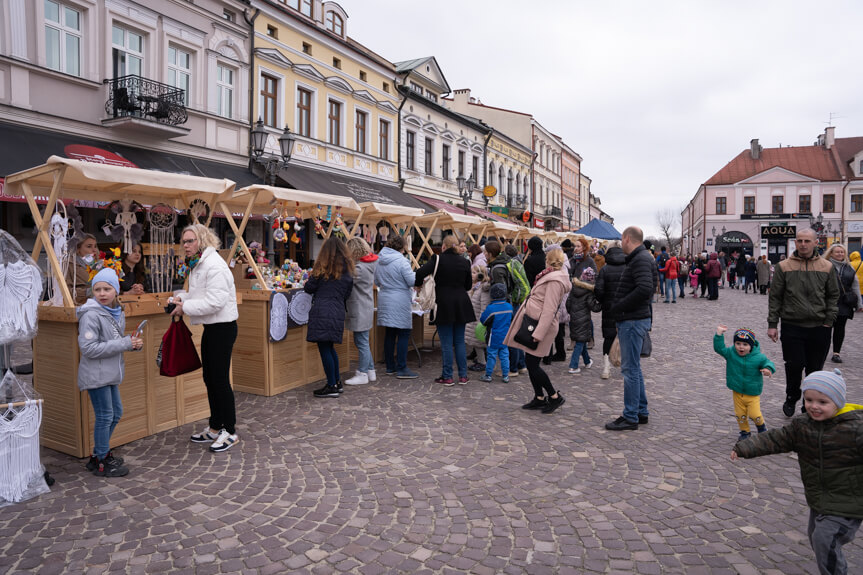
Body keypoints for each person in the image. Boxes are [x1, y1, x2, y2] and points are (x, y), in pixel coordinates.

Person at [732, 370, 863, 575]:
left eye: (822, 402)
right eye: (809, 399)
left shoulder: (855, 429)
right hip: (819, 499)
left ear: (837, 402)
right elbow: (776, 439)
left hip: (848, 502)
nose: (814, 406)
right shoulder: (802, 426)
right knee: (816, 537)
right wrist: (745, 447)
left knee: (824, 539)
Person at [173, 224, 240, 453]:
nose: (186, 245)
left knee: (219, 380)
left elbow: (215, 302)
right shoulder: (199, 264)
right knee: (210, 377)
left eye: (190, 241)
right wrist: (179, 298)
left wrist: (185, 306)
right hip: (213, 327)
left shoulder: (214, 265)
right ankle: (214, 426)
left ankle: (229, 431)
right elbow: (199, 295)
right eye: (184, 241)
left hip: (223, 328)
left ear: (201, 241)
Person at [77, 268, 142, 477]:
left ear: (116, 290)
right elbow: (88, 348)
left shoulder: (115, 312)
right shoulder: (91, 315)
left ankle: (99, 454)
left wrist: (132, 344)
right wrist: (125, 343)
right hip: (96, 375)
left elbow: (115, 341)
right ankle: (102, 460)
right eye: (97, 289)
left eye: (107, 289)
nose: (102, 293)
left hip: (110, 373)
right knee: (105, 416)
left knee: (116, 413)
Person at [767, 228, 839, 417]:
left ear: (816, 243)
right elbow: (775, 297)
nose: (803, 244)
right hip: (792, 325)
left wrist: (828, 321)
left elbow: (833, 295)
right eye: (799, 241)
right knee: (794, 365)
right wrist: (773, 324)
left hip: (819, 326)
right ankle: (791, 397)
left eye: (807, 241)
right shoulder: (784, 266)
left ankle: (808, 404)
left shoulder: (827, 267)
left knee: (815, 369)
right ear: (795, 243)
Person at [504, 247, 571, 414]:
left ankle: (554, 396)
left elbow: (549, 309)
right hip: (536, 323)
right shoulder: (551, 276)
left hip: (541, 326)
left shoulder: (555, 280)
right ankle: (539, 397)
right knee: (530, 362)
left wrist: (538, 333)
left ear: (548, 260)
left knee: (533, 365)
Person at [605, 226, 656, 431]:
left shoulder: (641, 258)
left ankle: (631, 416)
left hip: (632, 320)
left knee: (630, 370)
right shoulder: (640, 257)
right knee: (634, 368)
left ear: (626, 238)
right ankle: (640, 411)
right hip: (633, 319)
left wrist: (619, 306)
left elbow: (644, 289)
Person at [415, 235, 475, 385]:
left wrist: (418, 285)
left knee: (447, 343)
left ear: (443, 246)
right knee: (460, 342)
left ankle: (447, 376)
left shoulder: (437, 260)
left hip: (443, 303)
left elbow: (420, 272)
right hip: (461, 303)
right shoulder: (465, 262)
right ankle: (463, 376)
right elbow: (468, 286)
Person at [304, 237, 354, 397]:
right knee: (330, 348)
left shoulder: (322, 269)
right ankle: (336, 382)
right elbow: (347, 293)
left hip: (322, 310)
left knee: (325, 348)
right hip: (337, 310)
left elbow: (309, 288)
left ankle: (331, 385)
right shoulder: (348, 271)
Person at [714, 326, 776, 441]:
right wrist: (719, 335)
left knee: (755, 415)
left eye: (745, 344)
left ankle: (761, 428)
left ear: (751, 346)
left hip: (752, 393)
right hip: (737, 392)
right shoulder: (731, 353)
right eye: (738, 343)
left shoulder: (759, 357)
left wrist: (768, 369)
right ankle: (745, 432)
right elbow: (719, 348)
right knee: (740, 415)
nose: (741, 347)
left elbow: (768, 363)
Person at [374, 235, 418, 379]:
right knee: (403, 333)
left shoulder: (379, 260)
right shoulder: (402, 261)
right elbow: (412, 281)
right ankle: (402, 368)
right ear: (401, 247)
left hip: (385, 298)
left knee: (390, 334)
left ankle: (390, 366)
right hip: (399, 299)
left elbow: (376, 281)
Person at [487, 239, 526, 378]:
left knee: (509, 337)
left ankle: (513, 368)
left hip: (505, 303)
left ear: (490, 253)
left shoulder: (497, 267)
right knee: (514, 334)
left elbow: (500, 289)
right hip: (513, 301)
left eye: (486, 252)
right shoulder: (506, 262)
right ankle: (521, 365)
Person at [344, 237, 377, 386]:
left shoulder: (359, 269)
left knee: (361, 341)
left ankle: (362, 373)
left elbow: (344, 280)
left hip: (359, 308)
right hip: (365, 307)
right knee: (363, 340)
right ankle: (370, 370)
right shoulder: (367, 265)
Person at [823, 244, 862, 364]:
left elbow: (855, 285)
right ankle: (823, 351)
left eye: (842, 252)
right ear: (831, 254)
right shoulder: (825, 266)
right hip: (828, 303)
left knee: (840, 329)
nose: (840, 254)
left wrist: (860, 303)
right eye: (837, 252)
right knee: (826, 328)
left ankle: (836, 353)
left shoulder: (848, 267)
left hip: (844, 303)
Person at [595, 240, 625, 379]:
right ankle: (625, 367)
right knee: (625, 337)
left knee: (608, 337)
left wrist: (602, 301)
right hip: (626, 307)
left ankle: (606, 368)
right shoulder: (628, 267)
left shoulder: (605, 269)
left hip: (609, 307)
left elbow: (599, 290)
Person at [566, 267, 601, 374]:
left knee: (581, 340)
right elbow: (594, 307)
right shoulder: (589, 292)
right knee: (580, 342)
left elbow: (568, 304)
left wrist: (572, 313)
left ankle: (587, 361)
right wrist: (601, 304)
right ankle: (573, 366)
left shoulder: (574, 289)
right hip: (584, 320)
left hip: (574, 319)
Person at [479, 283, 513, 383]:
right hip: (505, 336)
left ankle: (488, 375)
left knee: (491, 356)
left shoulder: (491, 308)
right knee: (505, 356)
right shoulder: (509, 307)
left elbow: (483, 321)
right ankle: (506, 375)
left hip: (493, 337)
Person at [465, 264, 491, 372]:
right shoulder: (475, 287)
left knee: (478, 343)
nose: (472, 274)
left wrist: (482, 321)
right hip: (473, 318)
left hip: (478, 320)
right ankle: (481, 360)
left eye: (474, 273)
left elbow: (484, 305)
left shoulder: (483, 288)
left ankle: (482, 362)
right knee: (476, 342)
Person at [66, 233, 99, 305]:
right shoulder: (68, 264)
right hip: (80, 306)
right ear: (78, 249)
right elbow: (65, 291)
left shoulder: (99, 264)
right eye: (89, 246)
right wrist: (88, 292)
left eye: (95, 246)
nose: (94, 250)